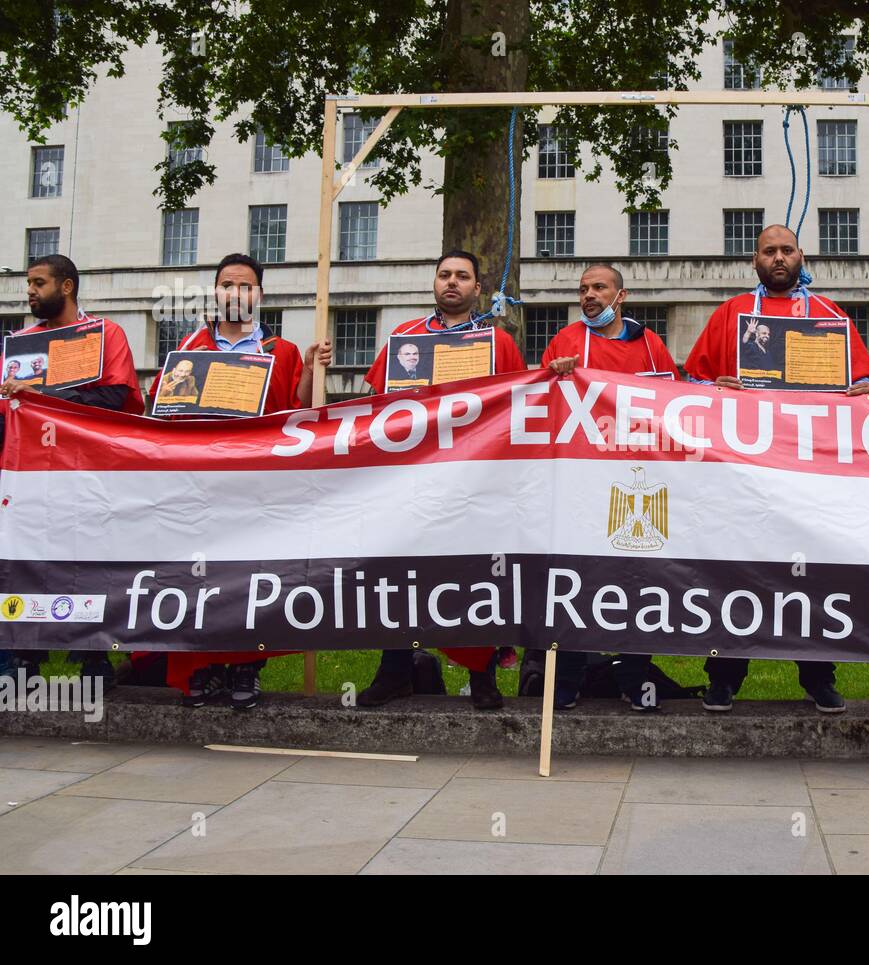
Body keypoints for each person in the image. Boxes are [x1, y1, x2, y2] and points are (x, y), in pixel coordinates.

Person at [684, 224, 869, 714]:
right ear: (754, 260)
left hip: (808, 475)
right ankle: (724, 676)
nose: (777, 258)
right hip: (743, 475)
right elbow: (689, 384)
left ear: (801, 256)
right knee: (737, 576)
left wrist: (861, 394)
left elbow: (864, 390)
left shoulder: (830, 315)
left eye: (786, 250)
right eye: (768, 250)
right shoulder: (731, 314)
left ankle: (819, 675)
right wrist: (715, 390)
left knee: (812, 579)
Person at [145, 252, 332, 709]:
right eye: (227, 284)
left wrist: (309, 368)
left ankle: (247, 665)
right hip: (200, 485)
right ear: (215, 292)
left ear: (260, 295)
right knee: (199, 577)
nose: (236, 293)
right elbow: (159, 412)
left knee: (253, 579)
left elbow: (300, 411)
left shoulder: (280, 351)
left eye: (246, 286)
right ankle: (202, 668)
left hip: (259, 486)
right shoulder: (189, 349)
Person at [357, 250, 523, 710]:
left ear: (477, 288)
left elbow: (517, 408)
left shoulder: (497, 342)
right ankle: (394, 670)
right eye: (445, 275)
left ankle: (482, 675)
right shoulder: (403, 338)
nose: (452, 282)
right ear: (434, 282)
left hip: (474, 479)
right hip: (409, 479)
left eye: (463, 276)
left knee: (473, 575)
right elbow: (372, 403)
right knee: (400, 574)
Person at [0, 254, 145, 689]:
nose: (30, 291)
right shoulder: (18, 344)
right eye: (28, 282)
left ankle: (93, 656)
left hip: (87, 474)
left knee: (89, 564)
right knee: (29, 564)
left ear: (66, 287)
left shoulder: (104, 335)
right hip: (28, 476)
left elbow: (116, 398)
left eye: (38, 282)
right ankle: (25, 655)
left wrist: (43, 397)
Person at [542, 262, 677, 710]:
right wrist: (553, 375)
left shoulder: (650, 345)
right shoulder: (565, 342)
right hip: (582, 481)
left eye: (599, 288)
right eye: (582, 289)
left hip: (637, 481)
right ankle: (569, 679)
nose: (588, 296)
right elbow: (541, 405)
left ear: (621, 296)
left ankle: (636, 677)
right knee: (578, 582)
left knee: (640, 583)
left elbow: (675, 404)